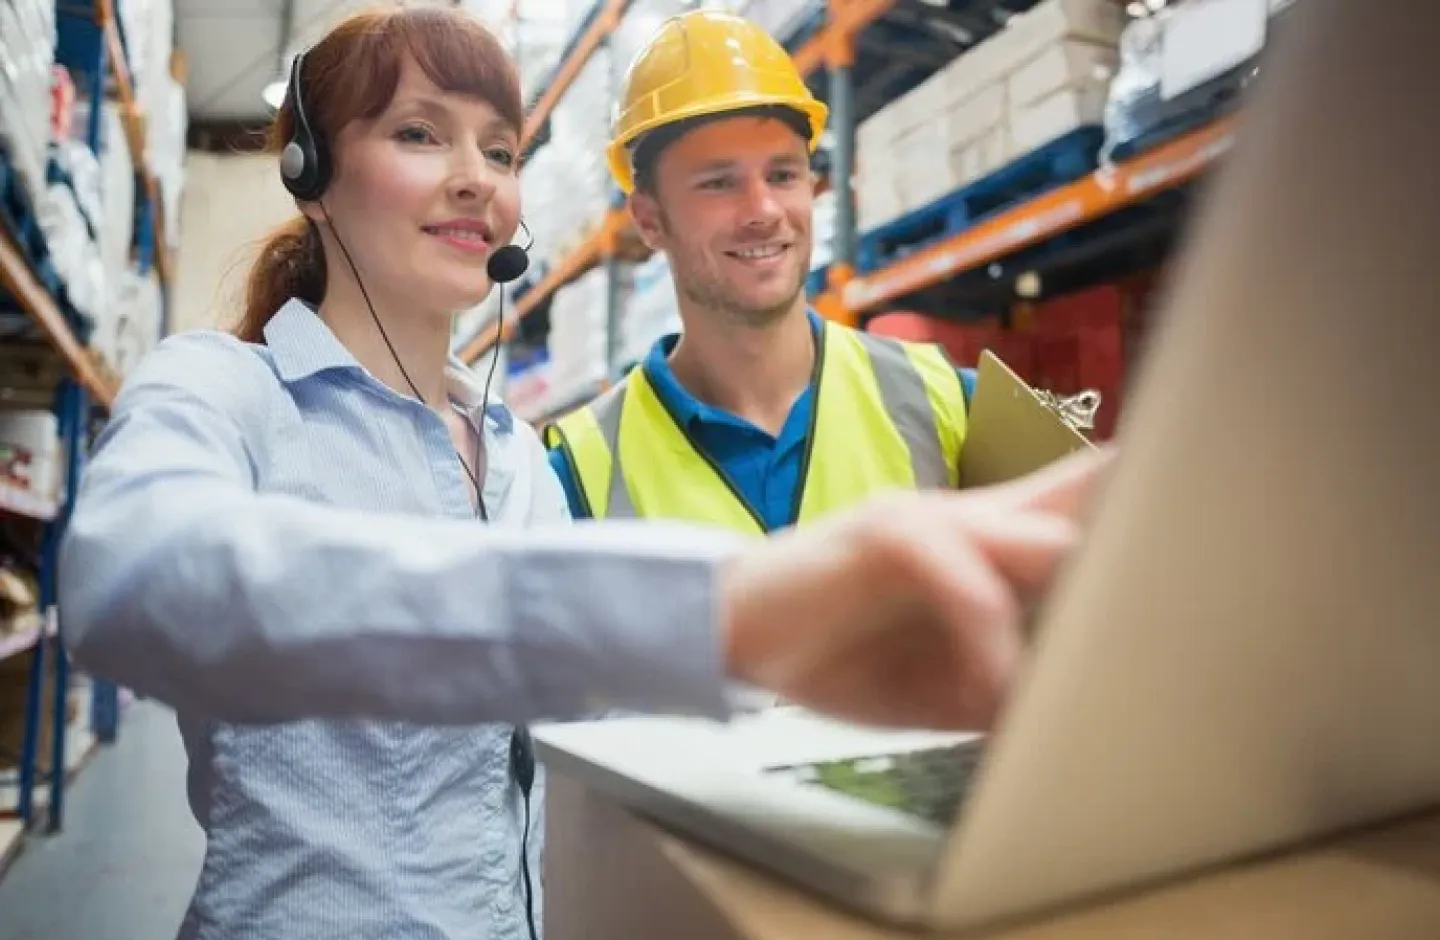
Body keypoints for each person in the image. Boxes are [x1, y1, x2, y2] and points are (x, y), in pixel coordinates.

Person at [55, 7, 1111, 940]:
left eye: (501, 149)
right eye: (420, 133)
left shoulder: (518, 462)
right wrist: (732, 607)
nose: (476, 176)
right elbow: (134, 578)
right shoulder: (228, 391)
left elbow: (606, 746)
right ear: (314, 178)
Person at [545, 11, 990, 529]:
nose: (764, 211)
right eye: (718, 183)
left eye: (782, 175)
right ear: (649, 220)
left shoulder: (948, 401)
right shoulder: (579, 473)